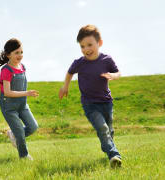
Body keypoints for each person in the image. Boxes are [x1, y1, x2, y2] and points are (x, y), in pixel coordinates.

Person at [59, 25, 122, 168]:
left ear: (99, 43)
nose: (86, 49)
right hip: (90, 104)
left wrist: (113, 75)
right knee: (102, 128)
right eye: (82, 46)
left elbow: (118, 73)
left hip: (107, 102)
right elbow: (69, 73)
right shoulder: (79, 63)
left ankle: (106, 146)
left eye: (89, 45)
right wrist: (65, 87)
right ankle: (114, 155)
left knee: (109, 129)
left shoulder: (107, 60)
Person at [0, 38, 39, 160]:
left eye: (21, 52)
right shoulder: (6, 70)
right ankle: (24, 156)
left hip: (22, 105)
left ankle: (13, 134)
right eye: (16, 53)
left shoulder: (23, 67)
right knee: (20, 134)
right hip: (9, 106)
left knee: (33, 127)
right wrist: (27, 93)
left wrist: (26, 95)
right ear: (8, 55)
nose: (20, 55)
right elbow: (7, 92)